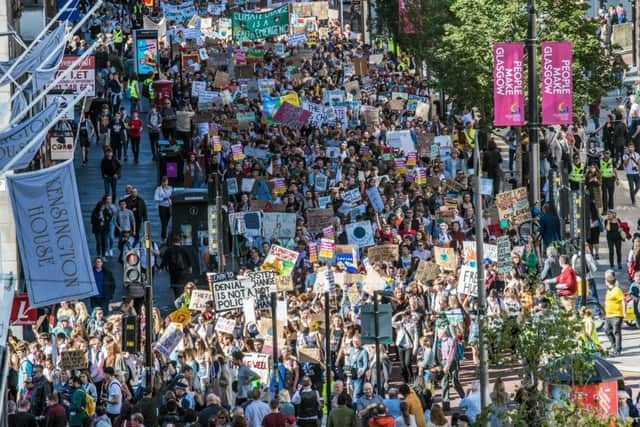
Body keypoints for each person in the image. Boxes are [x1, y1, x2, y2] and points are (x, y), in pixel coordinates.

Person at [439, 330, 464, 412]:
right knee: (444, 383)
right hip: (443, 362)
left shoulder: (451, 341)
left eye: (439, 332)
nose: (437, 333)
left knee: (454, 382)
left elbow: (451, 355)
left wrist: (447, 366)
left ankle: (464, 398)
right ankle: (446, 405)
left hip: (452, 362)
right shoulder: (440, 341)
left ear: (444, 333)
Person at [604, 270, 626, 356]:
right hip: (608, 315)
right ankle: (614, 347)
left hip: (617, 315)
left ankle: (618, 349)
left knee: (616, 331)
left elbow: (623, 301)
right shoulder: (608, 290)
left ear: (607, 281)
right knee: (607, 330)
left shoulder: (617, 290)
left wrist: (624, 313)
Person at [154, 176, 173, 241]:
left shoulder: (171, 188)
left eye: (166, 182)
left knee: (167, 222)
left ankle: (164, 235)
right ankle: (164, 237)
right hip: (162, 207)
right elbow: (156, 198)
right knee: (163, 222)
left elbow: (173, 196)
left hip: (169, 207)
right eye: (164, 182)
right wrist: (163, 199)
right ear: (161, 182)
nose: (165, 183)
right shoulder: (158, 189)